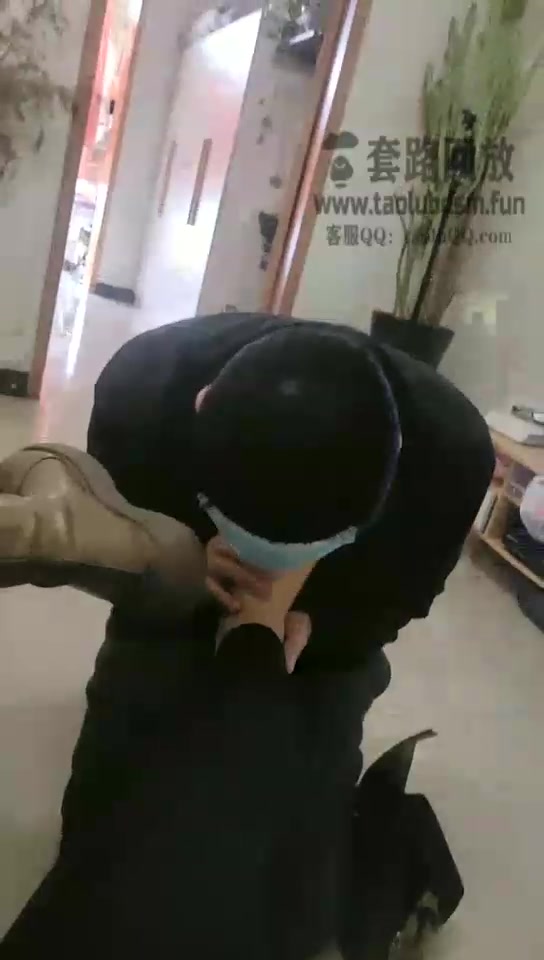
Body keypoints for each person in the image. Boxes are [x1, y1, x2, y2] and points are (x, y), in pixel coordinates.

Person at [0, 312, 494, 956]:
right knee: (110, 833)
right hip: (179, 595)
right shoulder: (143, 392)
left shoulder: (450, 455)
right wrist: (188, 560)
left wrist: (310, 626)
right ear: (200, 408)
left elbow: (397, 607)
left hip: (326, 634)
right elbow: (129, 530)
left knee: (294, 902)